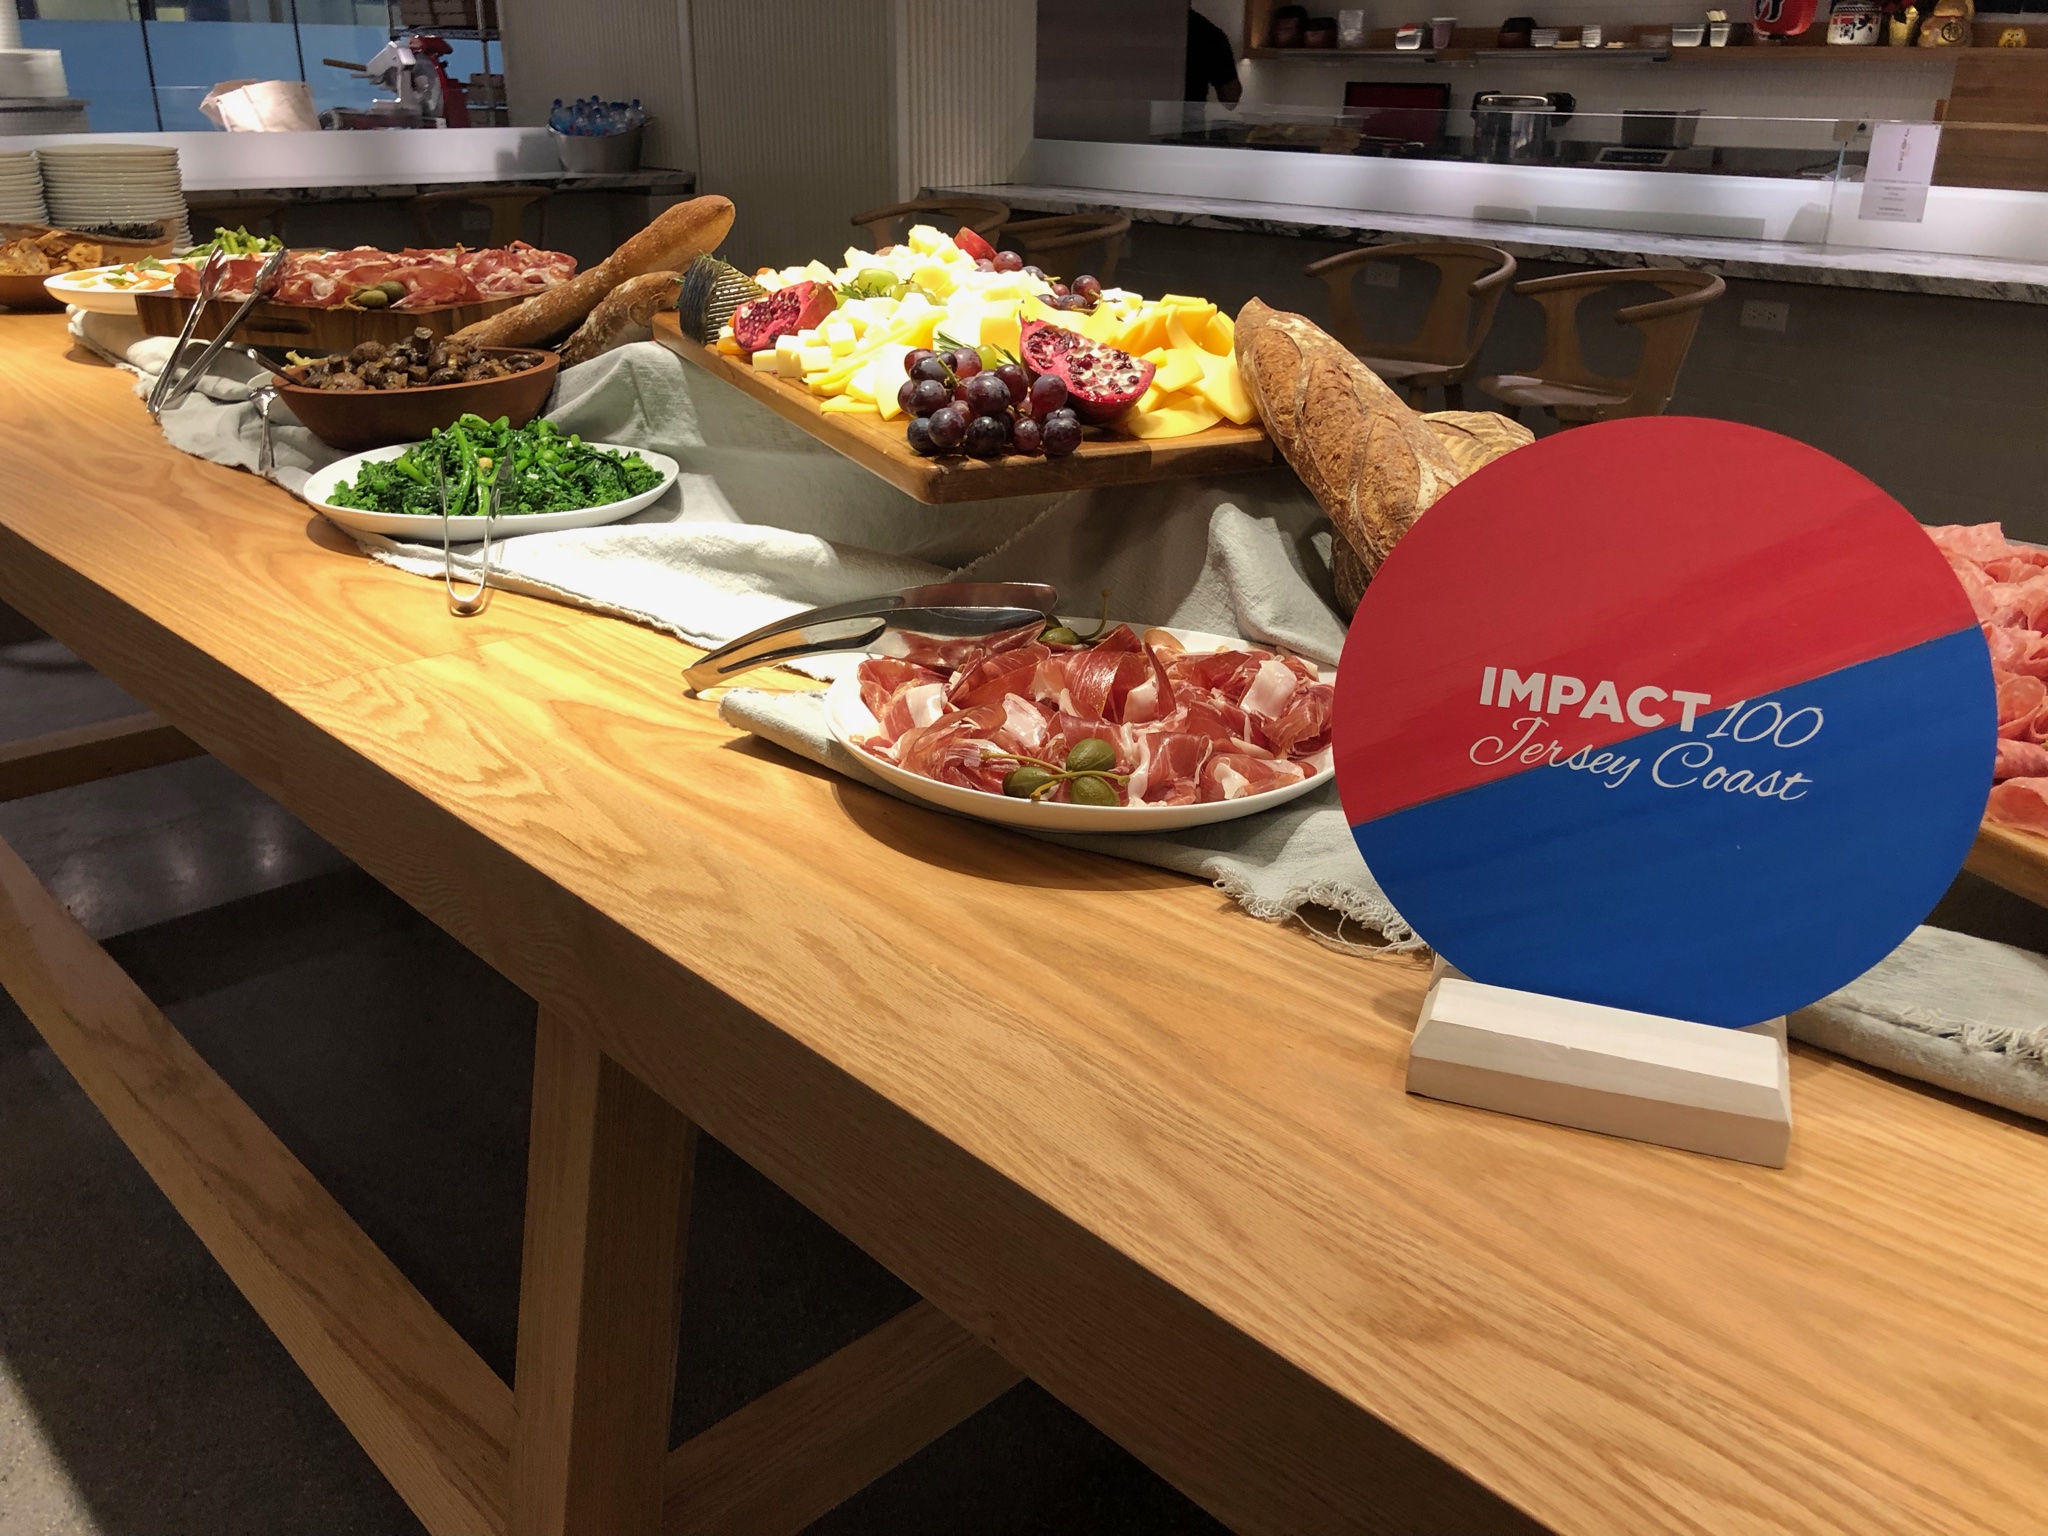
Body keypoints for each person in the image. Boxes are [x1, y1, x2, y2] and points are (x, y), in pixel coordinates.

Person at [1186, 6, 1242, 104]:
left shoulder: (1152, 24)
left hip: (1155, 112)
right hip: (1188, 116)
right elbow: (1230, 96)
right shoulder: (1207, 33)